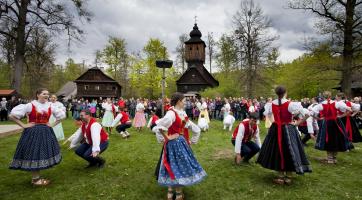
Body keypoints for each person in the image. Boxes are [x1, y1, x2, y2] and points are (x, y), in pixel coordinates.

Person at [153, 92, 206, 200]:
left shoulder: (182, 113)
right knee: (175, 166)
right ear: (178, 101)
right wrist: (166, 138)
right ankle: (176, 193)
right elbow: (158, 127)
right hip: (173, 145)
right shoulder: (171, 114)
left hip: (180, 143)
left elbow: (194, 127)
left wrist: (192, 140)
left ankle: (172, 191)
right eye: (184, 101)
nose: (185, 103)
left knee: (175, 166)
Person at [8, 88, 65, 186]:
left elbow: (62, 116)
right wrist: (24, 125)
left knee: (41, 152)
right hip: (33, 132)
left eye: (47, 94)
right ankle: (35, 179)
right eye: (44, 94)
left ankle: (36, 178)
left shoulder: (51, 105)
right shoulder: (30, 105)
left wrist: (52, 124)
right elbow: (12, 116)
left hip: (46, 132)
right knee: (34, 153)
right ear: (38, 95)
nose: (47, 95)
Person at [257, 86, 312, 185]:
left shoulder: (271, 104)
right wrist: (297, 123)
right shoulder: (291, 104)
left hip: (276, 129)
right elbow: (307, 114)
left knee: (278, 150)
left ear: (276, 93)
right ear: (285, 92)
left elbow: (268, 114)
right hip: (288, 129)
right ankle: (288, 177)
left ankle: (281, 176)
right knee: (289, 150)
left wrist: (274, 121)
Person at [311, 92, 352, 164]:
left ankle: (330, 159)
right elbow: (349, 109)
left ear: (323, 97)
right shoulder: (337, 103)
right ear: (330, 96)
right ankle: (334, 158)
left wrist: (318, 118)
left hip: (326, 123)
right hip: (336, 122)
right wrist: (341, 116)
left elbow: (311, 113)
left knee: (328, 139)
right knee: (336, 139)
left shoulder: (320, 105)